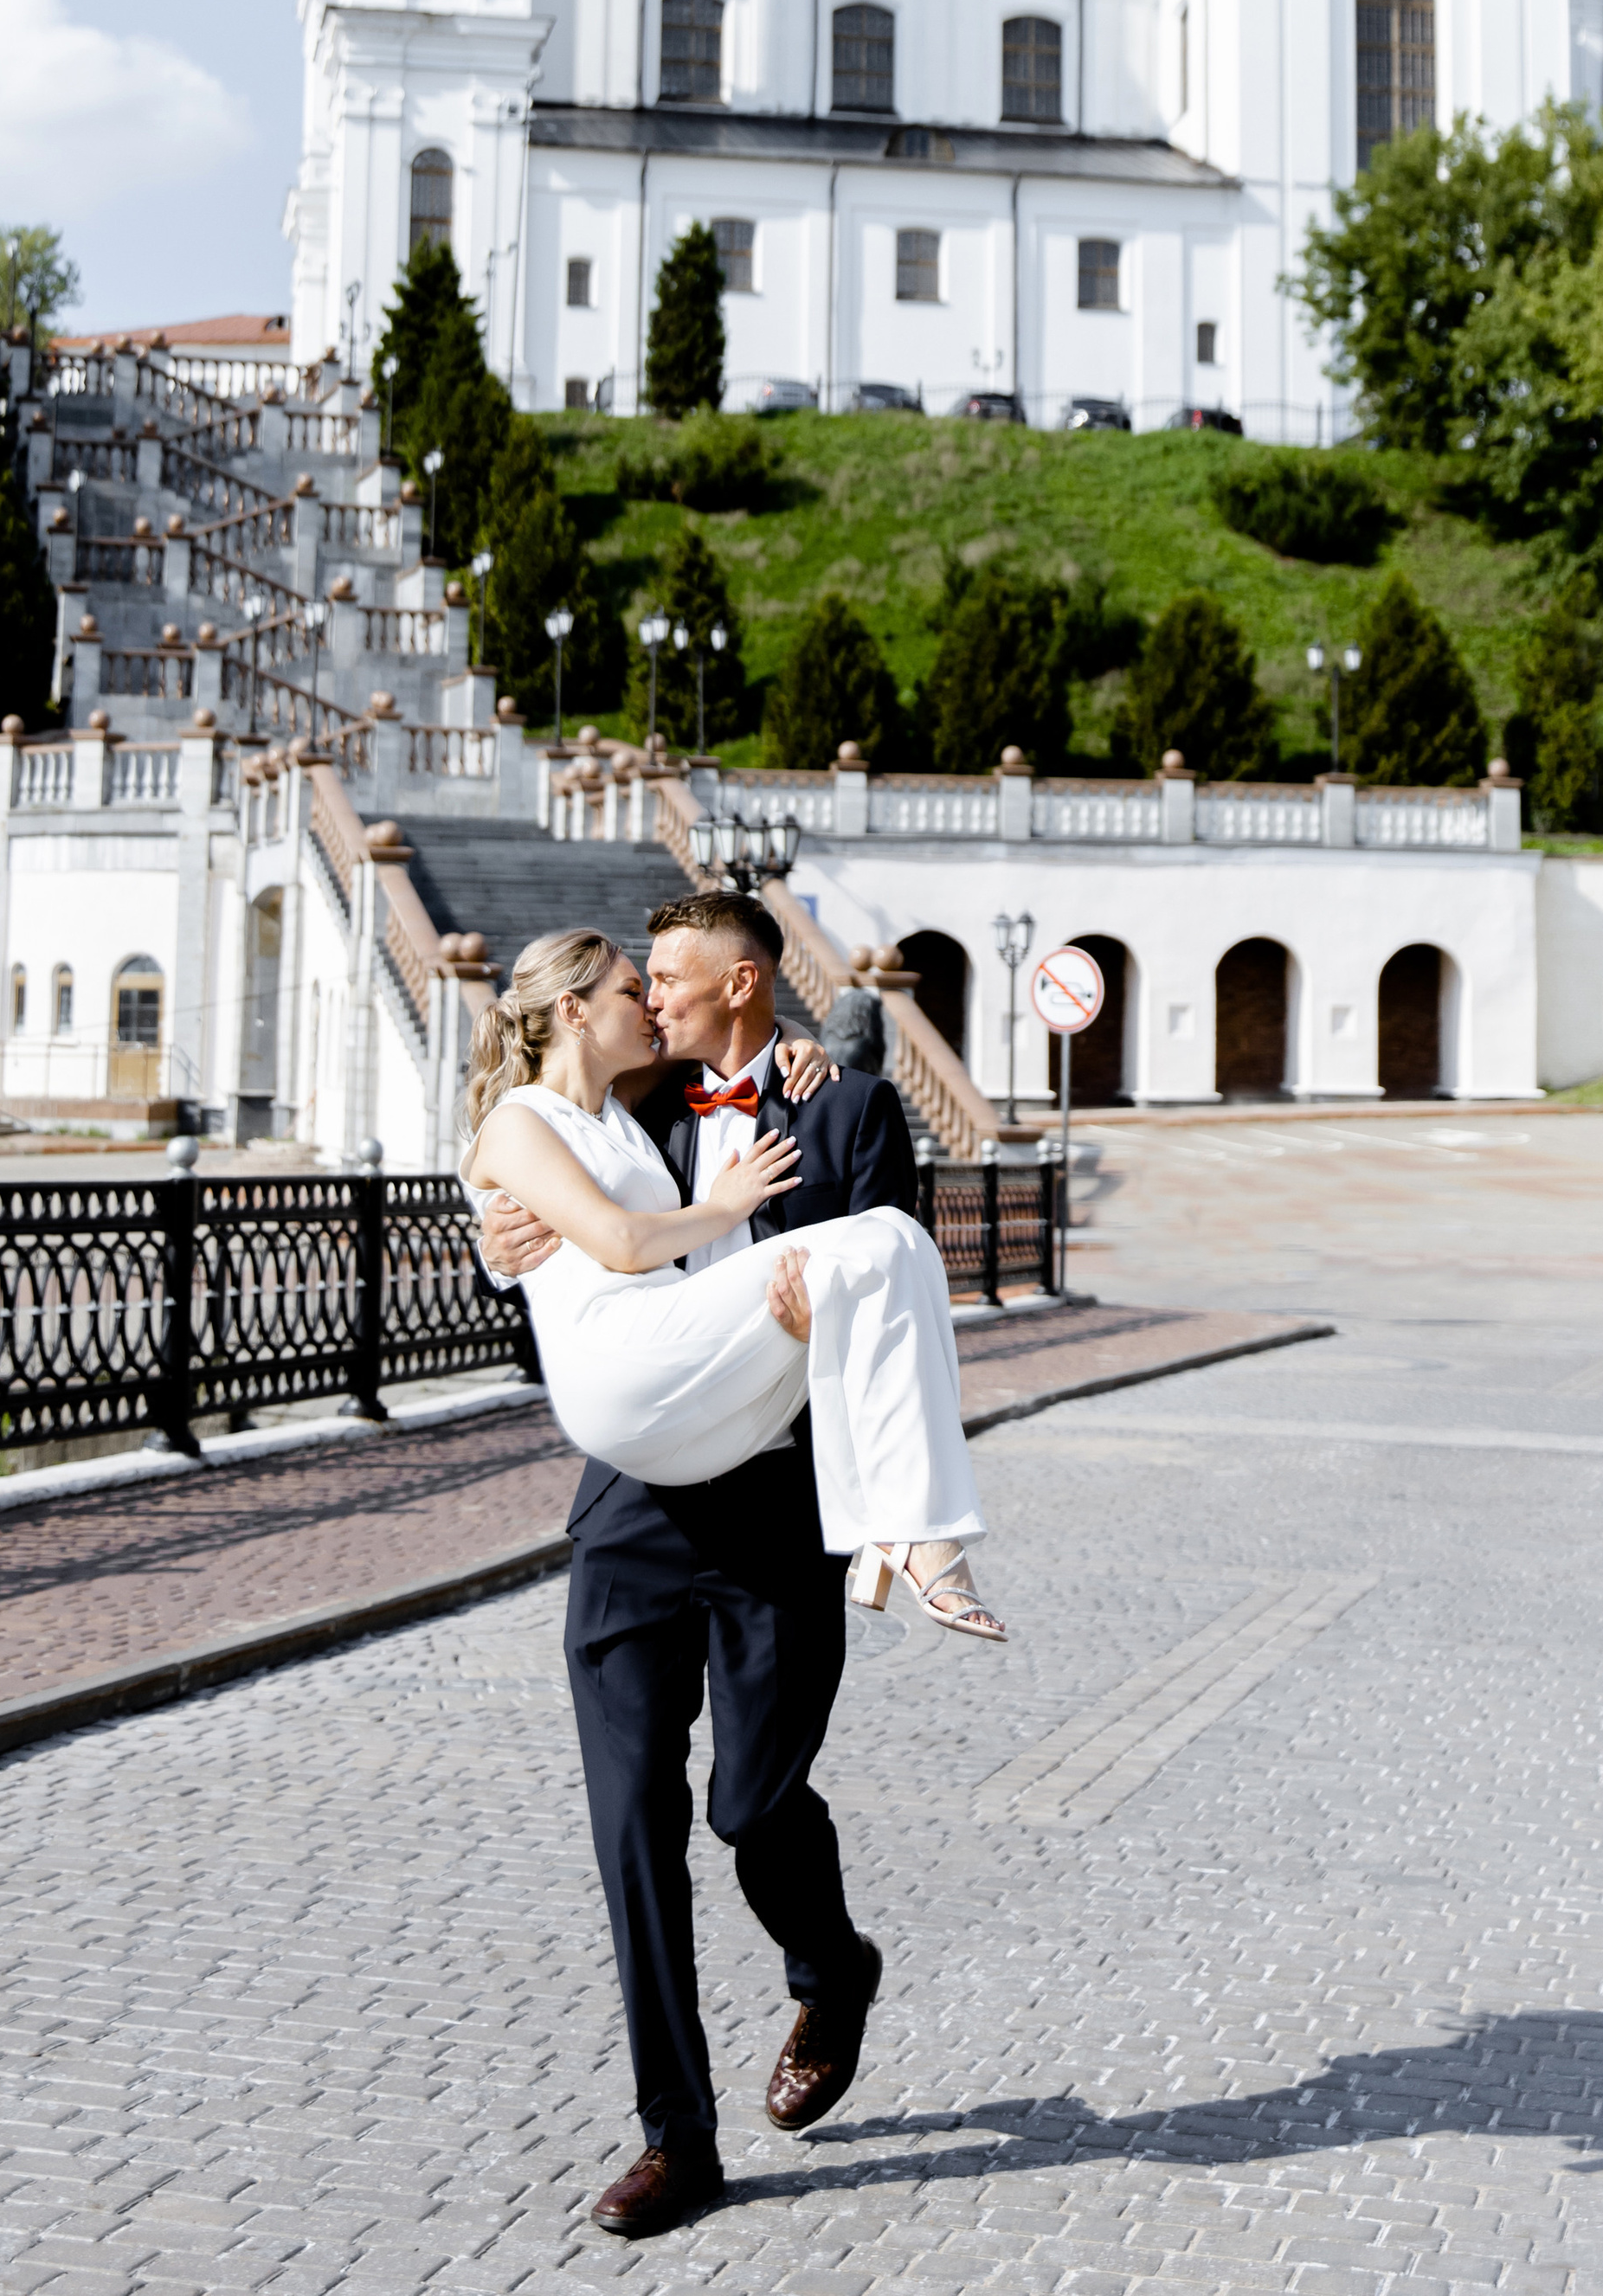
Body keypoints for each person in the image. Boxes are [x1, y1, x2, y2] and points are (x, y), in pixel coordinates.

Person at [470, 892, 999, 2241]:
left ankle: (833, 1971)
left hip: (772, 1513)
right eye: (639, 987)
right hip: (638, 1518)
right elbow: (545, 1210)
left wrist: (811, 1065)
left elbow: (896, 1293)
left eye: (676, 980)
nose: (655, 1000)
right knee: (633, 1831)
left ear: (746, 986)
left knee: (752, 1810)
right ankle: (678, 2141)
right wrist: (491, 1242)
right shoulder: (638, 1107)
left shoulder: (849, 1111)